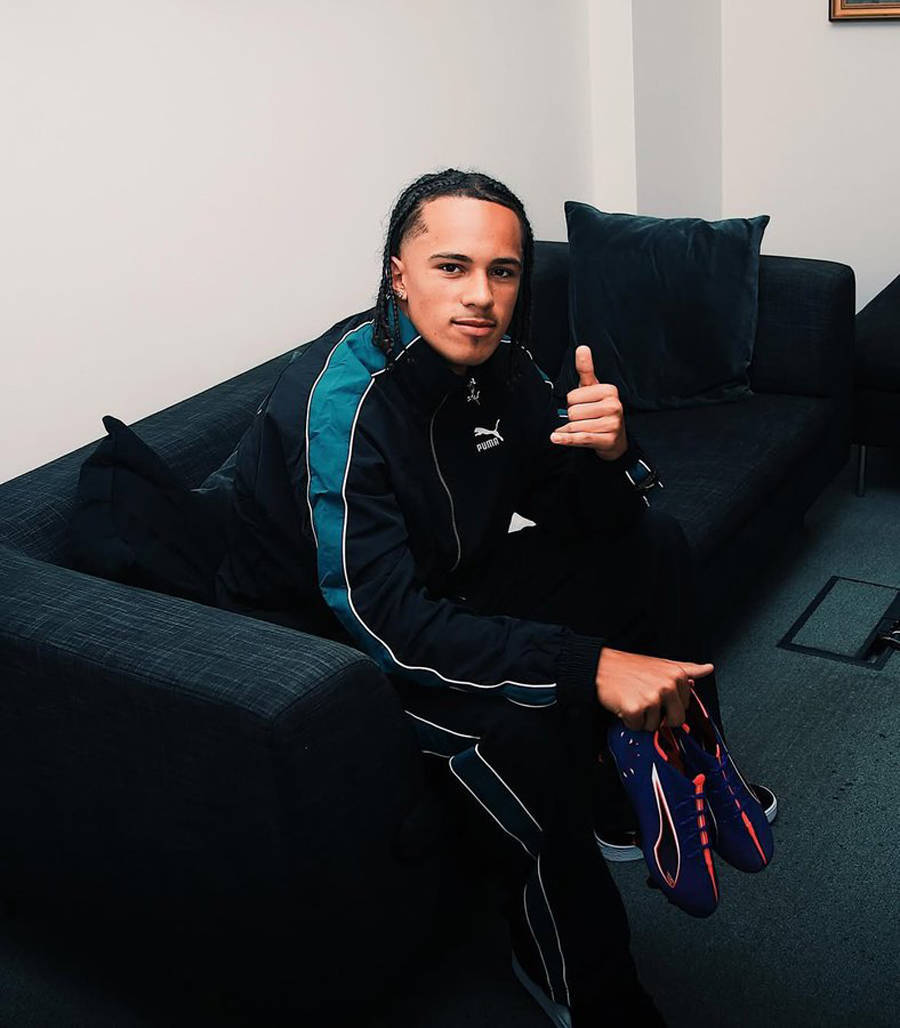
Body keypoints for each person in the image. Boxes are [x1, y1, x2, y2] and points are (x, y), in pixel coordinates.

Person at [214, 168, 775, 1027]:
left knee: (654, 544)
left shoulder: (504, 365)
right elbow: (382, 620)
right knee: (515, 730)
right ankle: (586, 985)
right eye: (452, 267)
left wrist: (611, 454)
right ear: (398, 275)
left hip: (445, 586)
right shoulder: (341, 404)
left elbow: (590, 519)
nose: (480, 295)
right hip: (327, 646)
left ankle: (656, 780)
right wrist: (589, 665)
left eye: (502, 271)